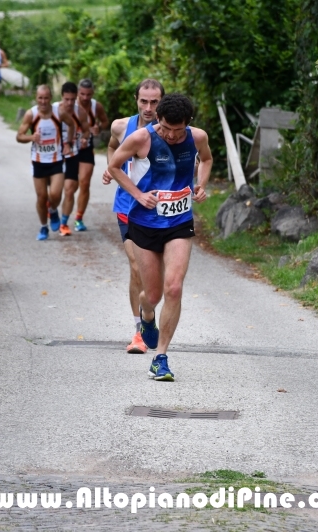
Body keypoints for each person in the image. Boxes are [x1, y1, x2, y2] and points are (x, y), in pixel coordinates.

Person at [107, 94, 212, 381]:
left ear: (187, 125)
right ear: (159, 120)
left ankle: (160, 357)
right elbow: (114, 165)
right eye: (165, 128)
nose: (171, 135)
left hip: (179, 221)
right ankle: (147, 316)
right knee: (152, 295)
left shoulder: (197, 137)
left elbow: (206, 159)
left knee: (174, 288)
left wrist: (200, 185)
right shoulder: (142, 138)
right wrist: (138, 195)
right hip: (145, 223)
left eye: (178, 130)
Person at [102, 79, 164, 354]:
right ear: (136, 100)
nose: (149, 108)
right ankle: (138, 331)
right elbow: (113, 145)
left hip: (160, 211)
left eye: (154, 102)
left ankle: (149, 317)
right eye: (144, 101)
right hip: (128, 206)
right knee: (136, 267)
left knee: (156, 277)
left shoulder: (169, 131)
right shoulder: (120, 125)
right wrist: (111, 167)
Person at [16, 85, 76, 240]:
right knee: (42, 197)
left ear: (51, 98)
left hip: (56, 160)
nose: (43, 101)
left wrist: (68, 142)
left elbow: (71, 124)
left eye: (46, 98)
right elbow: (19, 136)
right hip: (38, 161)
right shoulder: (31, 114)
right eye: (40, 98)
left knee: (55, 195)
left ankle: (54, 210)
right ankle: (44, 227)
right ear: (36, 98)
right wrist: (31, 138)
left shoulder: (59, 112)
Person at [73, 79, 109, 231]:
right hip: (68, 149)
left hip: (86, 148)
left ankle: (79, 218)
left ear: (92, 93)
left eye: (88, 94)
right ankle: (54, 206)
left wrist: (98, 128)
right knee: (70, 185)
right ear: (77, 93)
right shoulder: (69, 105)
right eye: (82, 94)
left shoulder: (96, 106)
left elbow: (106, 122)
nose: (85, 97)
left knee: (85, 182)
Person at [57, 82, 91, 236]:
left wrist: (84, 138)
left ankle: (63, 224)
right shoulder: (53, 111)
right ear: (61, 97)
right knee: (54, 193)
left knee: (70, 190)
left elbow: (86, 131)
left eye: (72, 99)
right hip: (53, 156)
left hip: (72, 153)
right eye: (66, 99)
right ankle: (51, 211)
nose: (70, 103)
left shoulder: (80, 112)